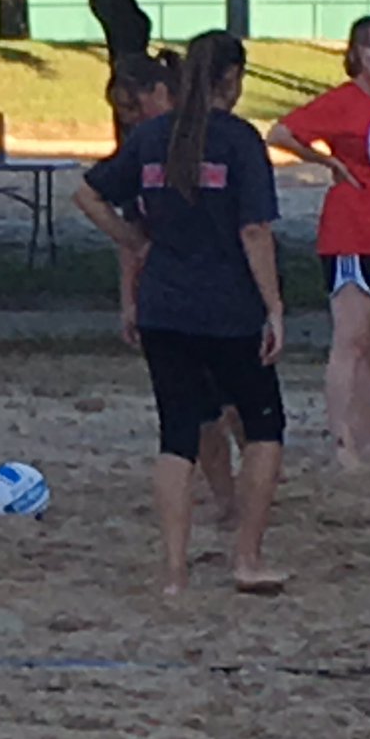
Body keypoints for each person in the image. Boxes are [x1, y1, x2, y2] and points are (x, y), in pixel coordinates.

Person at [75, 31, 287, 597]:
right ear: (232, 79)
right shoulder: (238, 140)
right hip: (228, 307)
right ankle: (246, 557)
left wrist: (137, 243)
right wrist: (275, 307)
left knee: (177, 436)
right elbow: (254, 230)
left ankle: (173, 573)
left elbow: (88, 194)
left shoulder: (150, 138)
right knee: (264, 428)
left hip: (164, 305)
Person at [107, 50, 240, 525]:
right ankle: (228, 499)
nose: (134, 120)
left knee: (239, 404)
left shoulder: (213, 138)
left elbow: (252, 224)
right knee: (200, 410)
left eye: (136, 108)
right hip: (171, 298)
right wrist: (129, 299)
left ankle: (257, 488)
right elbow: (129, 230)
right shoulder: (143, 148)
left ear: (162, 93)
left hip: (225, 291)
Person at [267, 14, 370, 471]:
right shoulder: (342, 103)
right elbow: (281, 132)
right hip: (354, 232)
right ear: (355, 55)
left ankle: (366, 438)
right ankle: (342, 442)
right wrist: (326, 162)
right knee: (352, 338)